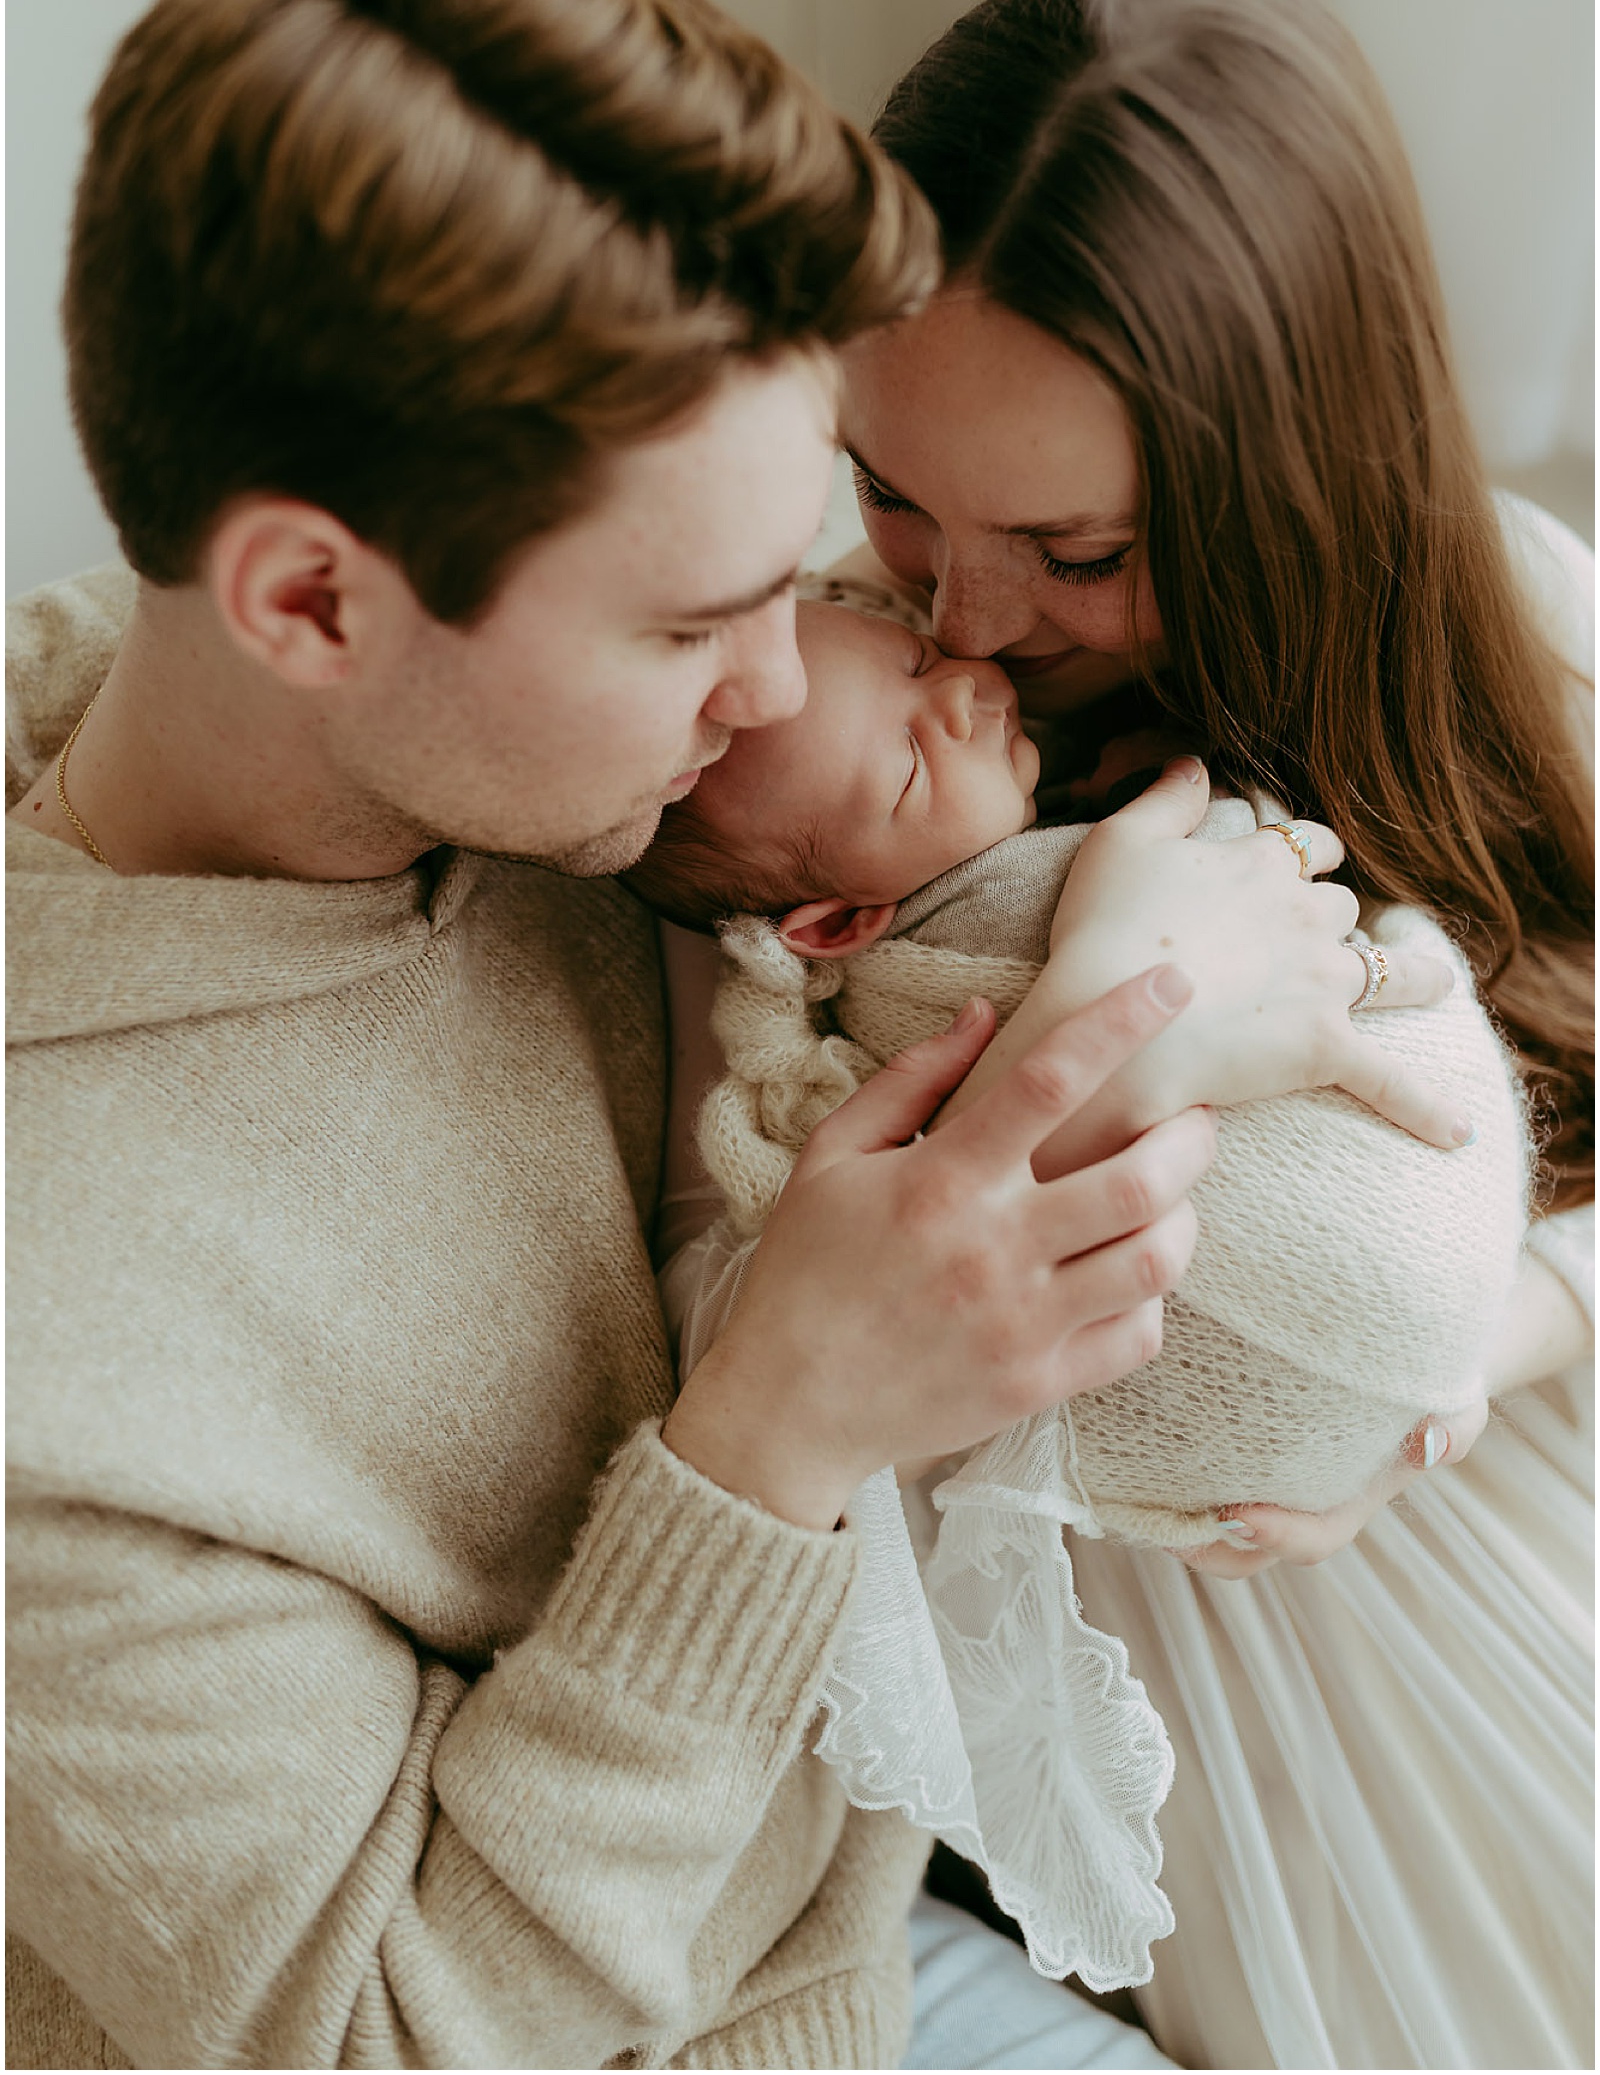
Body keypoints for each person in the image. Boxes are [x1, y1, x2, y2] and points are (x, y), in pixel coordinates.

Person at [4, 0, 1460, 2073]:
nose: (810, 670)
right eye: (695, 629)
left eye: (811, 543)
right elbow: (386, 2039)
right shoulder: (62, 1368)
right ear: (311, 603)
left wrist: (1131, 990)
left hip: (900, 1935)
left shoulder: (510, 740)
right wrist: (769, 1437)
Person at [810, 0, 1593, 2068]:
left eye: (1074, 546)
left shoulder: (1511, 627)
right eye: (890, 492)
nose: (958, 617)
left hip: (1509, 1514)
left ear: (1280, 488)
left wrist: (1444, 1374)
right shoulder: (823, 758)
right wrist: (1106, 1025)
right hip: (1236, 1742)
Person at [630, 590, 1530, 1990]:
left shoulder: (1476, 620)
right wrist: (1109, 1019)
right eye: (917, 756)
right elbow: (792, 1310)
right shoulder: (784, 800)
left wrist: (1480, 1354)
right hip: (1237, 1564)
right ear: (836, 923)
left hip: (1497, 1420)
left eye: (1070, 548)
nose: (972, 666)